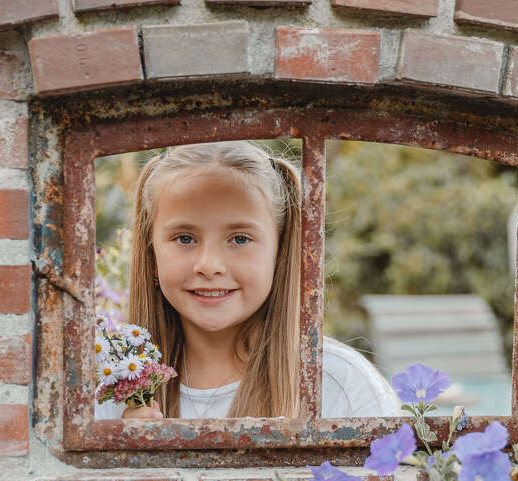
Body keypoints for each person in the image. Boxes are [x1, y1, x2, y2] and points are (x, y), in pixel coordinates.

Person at [94, 141, 400, 420]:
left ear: (279, 251)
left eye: (239, 239)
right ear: (151, 253)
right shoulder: (109, 390)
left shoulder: (340, 385)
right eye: (184, 238)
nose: (209, 266)